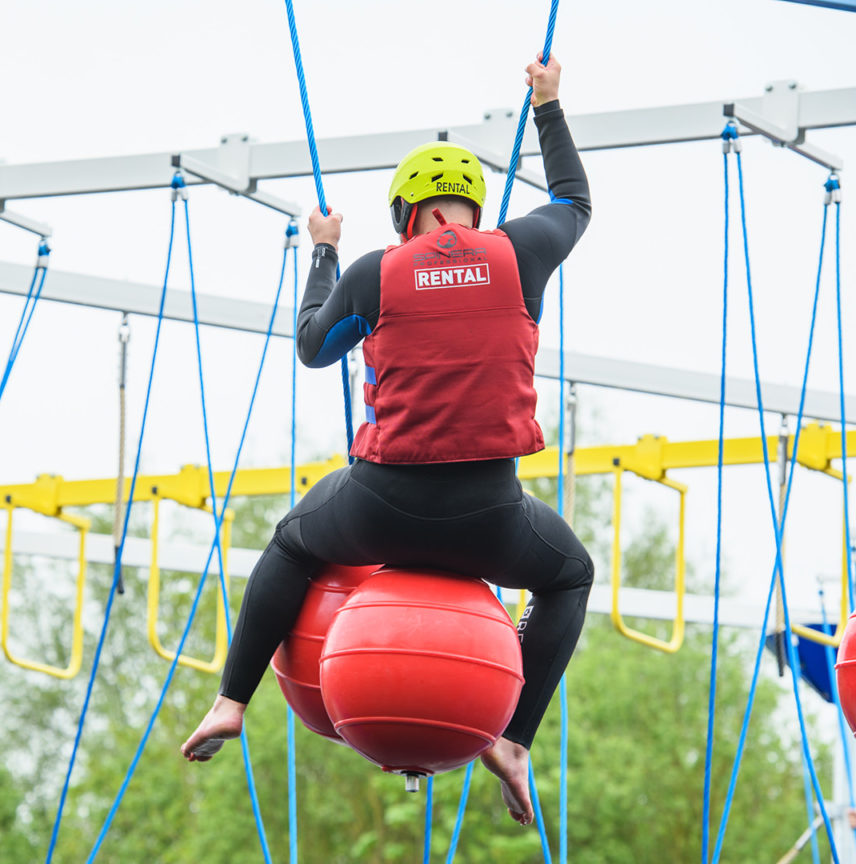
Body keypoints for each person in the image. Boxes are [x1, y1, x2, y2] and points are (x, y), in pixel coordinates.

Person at [180, 54, 592, 828]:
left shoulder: (378, 271)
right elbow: (573, 199)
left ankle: (231, 701)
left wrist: (325, 251)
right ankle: (511, 739)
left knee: (293, 547)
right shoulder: (521, 252)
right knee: (568, 576)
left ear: (407, 214)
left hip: (380, 507)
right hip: (489, 517)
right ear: (472, 207)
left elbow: (311, 345)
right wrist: (548, 105)